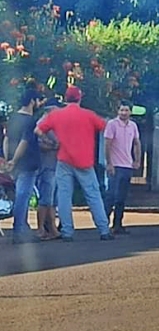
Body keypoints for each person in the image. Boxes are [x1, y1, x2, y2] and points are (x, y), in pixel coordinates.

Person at [36, 86, 112, 242]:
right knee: (94, 195)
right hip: (85, 161)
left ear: (65, 98)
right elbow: (105, 127)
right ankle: (104, 230)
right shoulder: (88, 115)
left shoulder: (56, 115)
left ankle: (67, 232)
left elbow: (38, 130)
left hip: (64, 159)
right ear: (79, 98)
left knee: (64, 196)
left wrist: (51, 142)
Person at [2, 88, 43, 244]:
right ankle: (19, 230)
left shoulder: (12, 118)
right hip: (27, 163)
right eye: (38, 100)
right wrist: (15, 160)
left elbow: (6, 139)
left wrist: (8, 159)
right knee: (22, 196)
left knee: (20, 195)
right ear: (32, 101)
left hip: (14, 163)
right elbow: (24, 142)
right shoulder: (30, 121)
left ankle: (23, 227)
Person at [104, 100, 141, 235]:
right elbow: (107, 144)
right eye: (121, 110)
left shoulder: (133, 126)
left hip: (127, 165)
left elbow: (137, 143)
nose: (123, 113)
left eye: (126, 110)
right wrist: (109, 163)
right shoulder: (112, 124)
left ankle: (117, 224)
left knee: (121, 197)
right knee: (111, 196)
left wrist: (137, 160)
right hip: (115, 166)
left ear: (130, 112)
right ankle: (103, 225)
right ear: (117, 111)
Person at [34, 96, 63, 240]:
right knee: (45, 199)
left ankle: (52, 229)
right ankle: (40, 229)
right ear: (51, 109)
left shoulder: (54, 124)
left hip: (54, 165)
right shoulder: (42, 123)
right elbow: (38, 144)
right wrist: (53, 146)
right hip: (46, 166)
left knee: (51, 200)